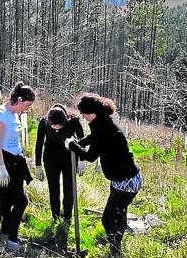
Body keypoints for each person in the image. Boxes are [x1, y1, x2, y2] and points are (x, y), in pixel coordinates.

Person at [65, 93, 142, 258]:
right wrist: (80, 142)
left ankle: (115, 251)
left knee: (108, 220)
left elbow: (90, 156)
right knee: (118, 216)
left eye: (84, 114)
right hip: (124, 179)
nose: (84, 118)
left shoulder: (102, 127)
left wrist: (72, 145)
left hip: (126, 182)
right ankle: (116, 250)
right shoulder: (103, 122)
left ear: (92, 113)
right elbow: (94, 138)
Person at [0, 82, 35, 254]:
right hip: (3, 161)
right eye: (26, 105)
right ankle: (12, 239)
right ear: (19, 99)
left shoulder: (14, 114)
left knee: (9, 200)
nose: (26, 109)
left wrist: (24, 158)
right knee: (20, 201)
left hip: (15, 162)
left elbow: (14, 141)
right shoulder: (0, 115)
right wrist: (1, 167)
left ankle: (5, 231)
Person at [34, 104, 85, 222]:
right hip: (50, 159)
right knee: (53, 188)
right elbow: (39, 144)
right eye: (53, 127)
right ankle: (55, 216)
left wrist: (82, 160)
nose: (56, 129)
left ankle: (67, 217)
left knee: (69, 189)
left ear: (65, 121)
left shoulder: (73, 121)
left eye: (59, 127)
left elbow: (82, 140)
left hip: (69, 158)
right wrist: (38, 166)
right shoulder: (44, 122)